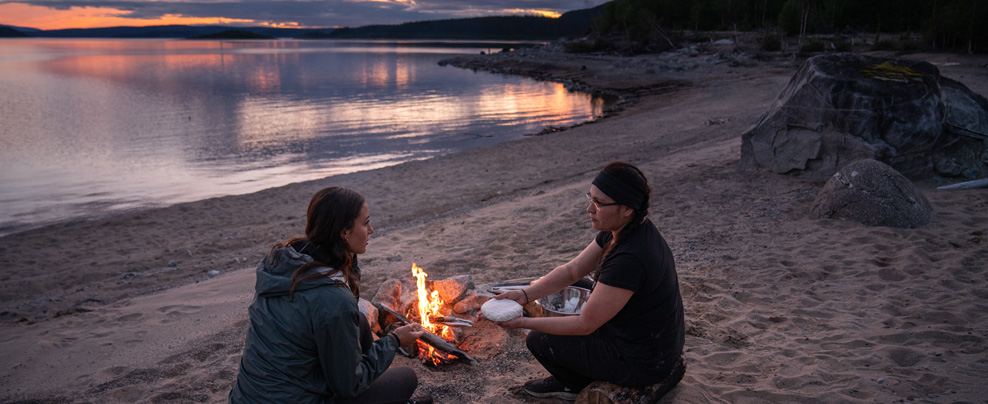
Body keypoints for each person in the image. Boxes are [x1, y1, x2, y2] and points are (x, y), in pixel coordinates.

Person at [491, 161, 686, 401]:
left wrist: (524, 323)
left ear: (627, 208)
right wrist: (524, 295)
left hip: (644, 361)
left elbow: (585, 325)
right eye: (590, 198)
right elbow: (572, 270)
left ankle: (572, 384)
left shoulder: (631, 258)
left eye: (599, 203)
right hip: (650, 340)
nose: (589, 209)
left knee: (539, 340)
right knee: (579, 286)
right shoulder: (624, 228)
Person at [229, 186, 431, 404]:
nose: (371, 230)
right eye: (365, 223)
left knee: (360, 322)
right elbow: (347, 386)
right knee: (406, 378)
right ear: (344, 233)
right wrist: (394, 340)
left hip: (247, 397)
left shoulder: (283, 269)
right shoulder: (332, 298)